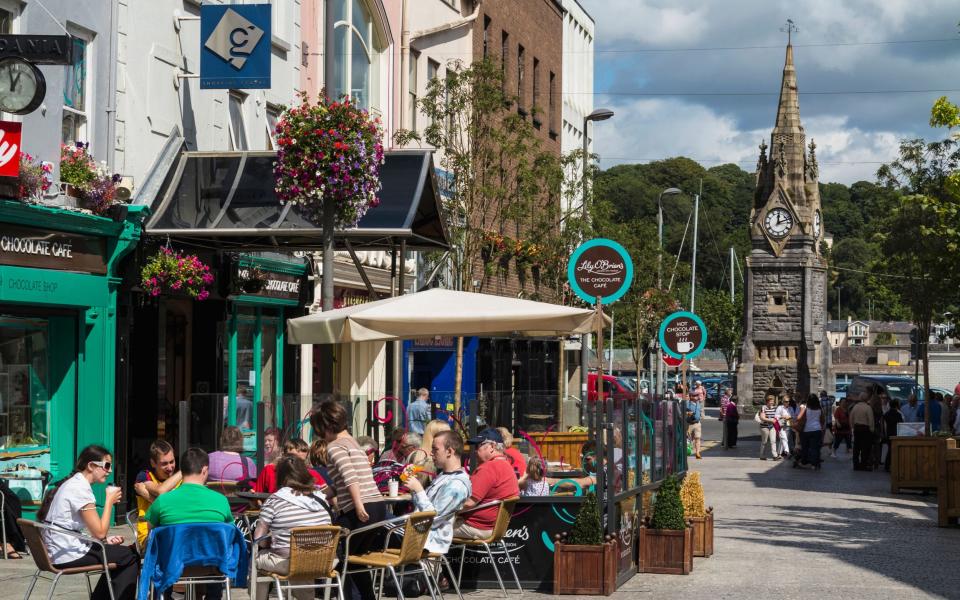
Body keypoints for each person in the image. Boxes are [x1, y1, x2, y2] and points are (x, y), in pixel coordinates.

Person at [38, 445, 139, 600]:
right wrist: (109, 502)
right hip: (65, 553)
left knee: (120, 555)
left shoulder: (74, 483)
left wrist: (101, 541)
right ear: (91, 466)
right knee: (130, 556)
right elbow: (99, 533)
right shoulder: (80, 488)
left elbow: (71, 527)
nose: (110, 470)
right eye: (106, 465)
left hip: (59, 549)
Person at [310, 400, 386, 600]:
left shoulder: (334, 447)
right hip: (377, 505)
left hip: (360, 508)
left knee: (340, 557)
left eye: (318, 429)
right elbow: (351, 478)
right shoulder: (353, 443)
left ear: (326, 426)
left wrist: (358, 506)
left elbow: (350, 476)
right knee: (355, 560)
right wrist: (324, 492)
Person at [145, 448, 234, 600]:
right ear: (205, 470)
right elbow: (230, 533)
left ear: (182, 470)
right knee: (217, 547)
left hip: (172, 565)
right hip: (210, 566)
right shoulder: (221, 501)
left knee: (162, 548)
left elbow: (151, 532)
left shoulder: (162, 501)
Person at [253, 456, 333, 600]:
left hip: (289, 562)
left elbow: (258, 538)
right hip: (323, 561)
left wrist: (269, 543)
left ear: (280, 476)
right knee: (302, 557)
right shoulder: (320, 497)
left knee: (255, 557)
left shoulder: (274, 500)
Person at [403, 430, 471, 554]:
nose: (431, 453)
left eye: (435, 449)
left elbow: (432, 519)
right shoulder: (444, 476)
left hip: (425, 541)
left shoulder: (457, 485)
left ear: (449, 451)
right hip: (416, 533)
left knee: (374, 527)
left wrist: (418, 490)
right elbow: (422, 507)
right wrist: (412, 486)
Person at [454, 429, 520, 539]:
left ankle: (430, 557)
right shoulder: (506, 465)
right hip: (494, 528)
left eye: (478, 446)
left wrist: (444, 507)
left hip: (477, 527)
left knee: (431, 529)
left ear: (492, 447)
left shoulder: (488, 468)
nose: (475, 451)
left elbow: (468, 502)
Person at [133, 440, 182, 549]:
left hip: (175, 531)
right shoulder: (145, 476)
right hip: (149, 536)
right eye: (164, 464)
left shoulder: (180, 480)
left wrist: (147, 495)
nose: (170, 467)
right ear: (153, 463)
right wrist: (185, 471)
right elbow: (160, 490)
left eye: (172, 461)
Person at [255, 438, 327, 494]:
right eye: (292, 460)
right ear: (283, 455)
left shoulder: (312, 473)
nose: (296, 465)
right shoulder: (269, 470)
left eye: (301, 462)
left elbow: (326, 493)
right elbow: (257, 495)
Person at [795, 394, 826, 470]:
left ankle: (804, 462)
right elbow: (823, 420)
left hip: (806, 430)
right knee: (815, 448)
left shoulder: (805, 408)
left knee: (805, 447)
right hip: (817, 430)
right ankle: (814, 464)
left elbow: (798, 418)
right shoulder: (820, 409)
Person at [849, 394, 876, 471]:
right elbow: (871, 420)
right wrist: (872, 430)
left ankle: (856, 464)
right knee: (865, 448)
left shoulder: (855, 407)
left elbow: (851, 418)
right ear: (867, 399)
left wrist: (852, 427)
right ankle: (863, 464)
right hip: (865, 429)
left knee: (856, 447)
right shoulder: (868, 408)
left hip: (857, 428)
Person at [882, 399, 904, 472]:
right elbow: (901, 425)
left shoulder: (886, 414)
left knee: (890, 450)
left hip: (888, 434)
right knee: (895, 450)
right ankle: (893, 465)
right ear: (897, 405)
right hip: (896, 434)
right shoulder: (898, 414)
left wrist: (885, 434)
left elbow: (884, 425)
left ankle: (887, 465)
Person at [758, 395, 779, 460]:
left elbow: (777, 416)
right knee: (764, 442)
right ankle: (762, 455)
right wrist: (771, 420)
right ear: (767, 401)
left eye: (773, 401)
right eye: (771, 401)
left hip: (772, 426)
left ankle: (775, 456)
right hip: (764, 427)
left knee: (773, 441)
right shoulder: (763, 407)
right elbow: (762, 417)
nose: (772, 402)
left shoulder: (775, 408)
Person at [685, 387, 703, 460]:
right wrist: (688, 413)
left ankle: (697, 453)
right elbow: (682, 411)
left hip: (697, 423)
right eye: (695, 395)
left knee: (697, 438)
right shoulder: (687, 403)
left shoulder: (698, 403)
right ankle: (688, 451)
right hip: (689, 424)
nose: (697, 397)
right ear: (691, 397)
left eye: (697, 395)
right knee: (688, 439)